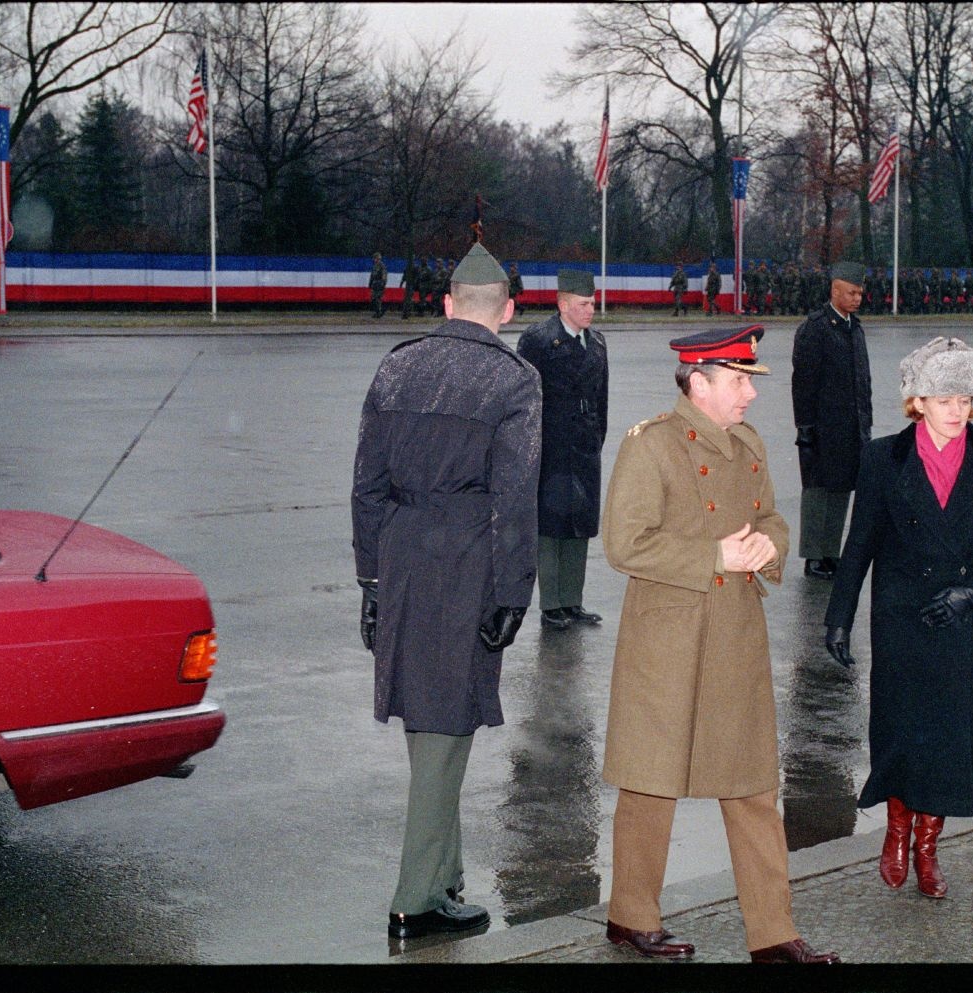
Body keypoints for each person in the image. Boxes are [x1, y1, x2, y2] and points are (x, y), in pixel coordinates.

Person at [601, 325, 840, 965]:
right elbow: (624, 543)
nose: (750, 396)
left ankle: (772, 932)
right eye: (739, 381)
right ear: (698, 381)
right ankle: (631, 915)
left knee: (755, 785)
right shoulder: (650, 447)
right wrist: (713, 555)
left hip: (735, 633)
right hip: (668, 637)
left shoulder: (748, 445)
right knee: (651, 783)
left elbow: (769, 519)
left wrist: (769, 547)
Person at [352, 242, 542, 941]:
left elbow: (366, 485)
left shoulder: (398, 365)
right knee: (445, 725)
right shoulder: (514, 380)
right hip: (466, 563)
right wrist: (513, 592)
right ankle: (415, 899)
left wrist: (371, 579)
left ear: (446, 303)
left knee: (433, 727)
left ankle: (446, 876)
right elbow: (516, 497)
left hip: (403, 558)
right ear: (510, 311)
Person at [823, 336, 973, 899]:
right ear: (917, 402)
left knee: (949, 739)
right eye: (944, 400)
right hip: (902, 619)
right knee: (903, 733)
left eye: (965, 399)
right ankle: (896, 827)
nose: (956, 410)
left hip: (967, 622)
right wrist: (838, 615)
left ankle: (928, 847)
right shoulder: (882, 458)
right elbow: (859, 542)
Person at [516, 269, 609, 631]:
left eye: (593, 303)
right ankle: (551, 604)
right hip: (550, 445)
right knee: (551, 525)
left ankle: (573, 600)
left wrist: (595, 438)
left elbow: (602, 400)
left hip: (584, 447)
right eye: (584, 304)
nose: (591, 310)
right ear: (563, 304)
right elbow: (524, 399)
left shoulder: (597, 342)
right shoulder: (538, 340)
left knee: (580, 524)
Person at [791, 261, 873, 580]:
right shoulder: (816, 328)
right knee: (817, 490)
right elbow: (804, 383)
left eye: (860, 293)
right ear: (835, 290)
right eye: (851, 292)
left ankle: (830, 552)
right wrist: (806, 427)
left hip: (850, 427)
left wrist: (864, 424)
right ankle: (813, 557)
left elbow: (861, 382)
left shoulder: (855, 327)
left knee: (841, 489)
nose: (857, 298)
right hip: (822, 427)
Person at [369, 252, 388, 319]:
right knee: (373, 299)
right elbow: (372, 276)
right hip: (375, 284)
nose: (374, 260)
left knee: (377, 298)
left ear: (378, 258)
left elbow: (384, 276)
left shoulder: (382, 266)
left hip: (379, 284)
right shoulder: (375, 266)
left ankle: (379, 312)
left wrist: (383, 283)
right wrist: (370, 283)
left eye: (375, 258)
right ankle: (378, 311)